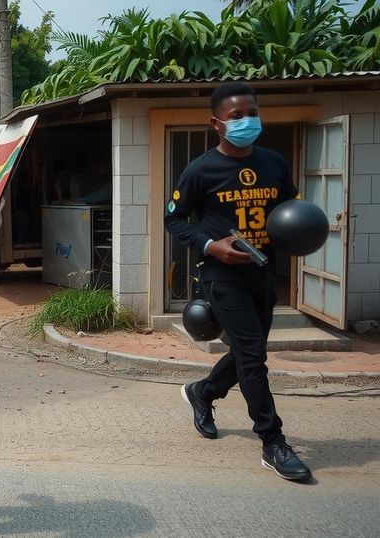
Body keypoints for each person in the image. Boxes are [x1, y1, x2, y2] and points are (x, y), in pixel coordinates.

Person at [165, 81, 310, 481]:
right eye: (236, 116)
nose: (247, 120)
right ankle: (272, 441)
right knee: (253, 356)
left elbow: (288, 213)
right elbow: (173, 220)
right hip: (221, 276)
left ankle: (203, 391)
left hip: (263, 273)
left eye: (252, 112)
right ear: (217, 123)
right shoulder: (200, 170)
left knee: (251, 352)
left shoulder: (275, 164)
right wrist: (211, 245)